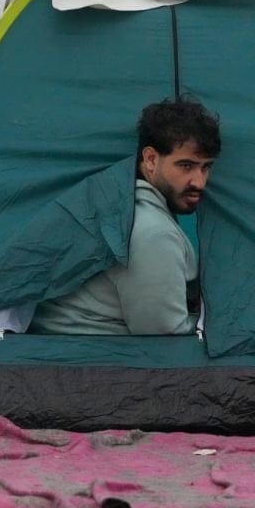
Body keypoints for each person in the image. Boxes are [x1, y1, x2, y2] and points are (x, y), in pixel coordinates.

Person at [30, 96, 221, 335]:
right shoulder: (152, 233)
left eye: (206, 167)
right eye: (186, 166)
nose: (199, 182)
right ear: (151, 159)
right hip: (93, 364)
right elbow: (164, 336)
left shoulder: (116, 200)